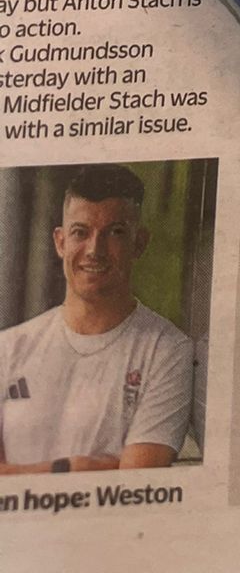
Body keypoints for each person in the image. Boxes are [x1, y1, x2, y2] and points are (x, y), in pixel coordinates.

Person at [0, 166, 193, 474]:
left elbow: (134, 485)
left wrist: (20, 473)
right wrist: (73, 467)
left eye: (115, 232)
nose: (94, 249)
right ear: (60, 242)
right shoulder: (8, 348)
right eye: (80, 232)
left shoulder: (167, 351)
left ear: (139, 243)